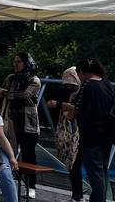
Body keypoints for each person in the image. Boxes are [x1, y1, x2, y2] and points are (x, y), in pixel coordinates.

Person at [61, 58, 115, 202]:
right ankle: (101, 199)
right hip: (107, 134)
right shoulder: (107, 84)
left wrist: (69, 108)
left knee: (95, 175)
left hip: (91, 135)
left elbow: (84, 111)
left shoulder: (88, 86)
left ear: (81, 72)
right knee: (103, 171)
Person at [0, 52, 42, 198]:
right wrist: (9, 94)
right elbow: (0, 94)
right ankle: (6, 183)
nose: (15, 64)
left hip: (28, 124)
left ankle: (31, 187)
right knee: (7, 153)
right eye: (14, 61)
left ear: (26, 63)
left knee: (29, 155)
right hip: (10, 121)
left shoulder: (34, 80)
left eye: (19, 62)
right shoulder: (10, 78)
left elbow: (25, 95)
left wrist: (8, 93)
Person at [47, 66, 83, 201]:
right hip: (67, 131)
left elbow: (78, 109)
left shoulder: (82, 92)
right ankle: (77, 195)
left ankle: (78, 196)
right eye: (67, 84)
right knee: (72, 165)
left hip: (80, 133)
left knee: (77, 164)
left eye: (72, 84)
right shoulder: (63, 91)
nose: (69, 87)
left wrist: (60, 104)